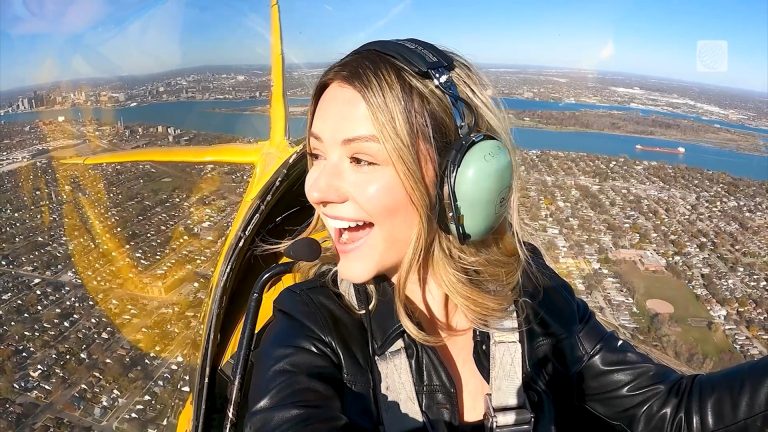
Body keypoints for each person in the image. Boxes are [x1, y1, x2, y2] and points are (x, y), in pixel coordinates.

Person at [244, 39, 768, 432]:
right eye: (316, 155)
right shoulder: (310, 327)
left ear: (463, 178)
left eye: (360, 159)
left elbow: (669, 410)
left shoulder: (526, 288)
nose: (316, 188)